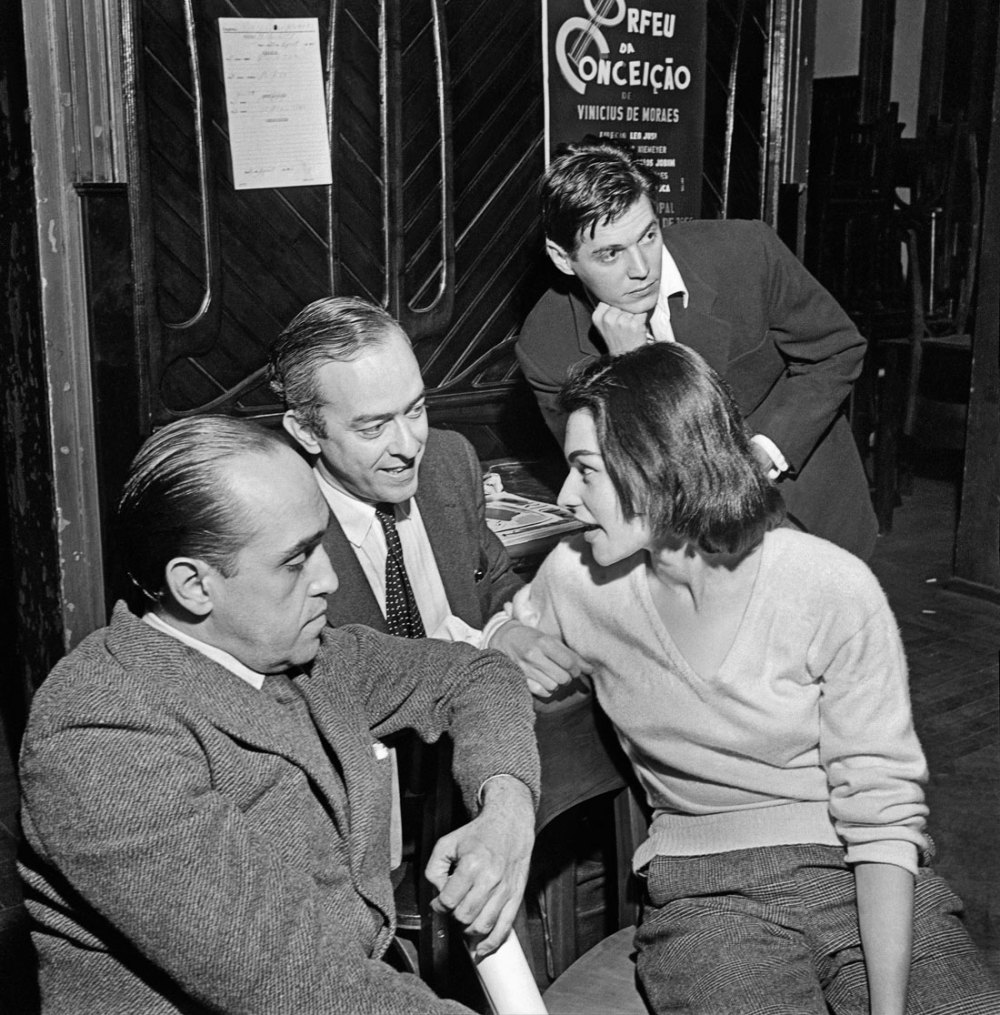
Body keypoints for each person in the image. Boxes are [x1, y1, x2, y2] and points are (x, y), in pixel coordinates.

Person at [511, 342, 1000, 1015]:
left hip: (853, 864)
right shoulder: (576, 578)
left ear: (659, 466)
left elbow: (882, 816)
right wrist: (509, 633)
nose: (565, 497)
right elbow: (490, 644)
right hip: (706, 898)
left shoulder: (827, 584)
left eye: (585, 470)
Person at [17, 415, 539, 1015]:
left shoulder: (300, 653)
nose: (329, 579)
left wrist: (506, 807)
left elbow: (475, 673)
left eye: (321, 544)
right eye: (295, 562)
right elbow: (294, 983)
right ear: (193, 586)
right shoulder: (99, 736)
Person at [515, 139, 878, 561]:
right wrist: (631, 370)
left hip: (802, 510)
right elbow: (607, 471)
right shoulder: (546, 346)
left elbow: (837, 350)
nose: (641, 268)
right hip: (671, 547)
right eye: (610, 254)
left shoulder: (746, 254)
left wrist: (764, 453)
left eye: (648, 235)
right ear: (563, 258)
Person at [268, 295, 586, 698]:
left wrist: (505, 628)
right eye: (373, 428)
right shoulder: (277, 527)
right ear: (307, 432)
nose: (409, 445)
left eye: (416, 409)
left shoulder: (449, 459)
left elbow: (490, 582)